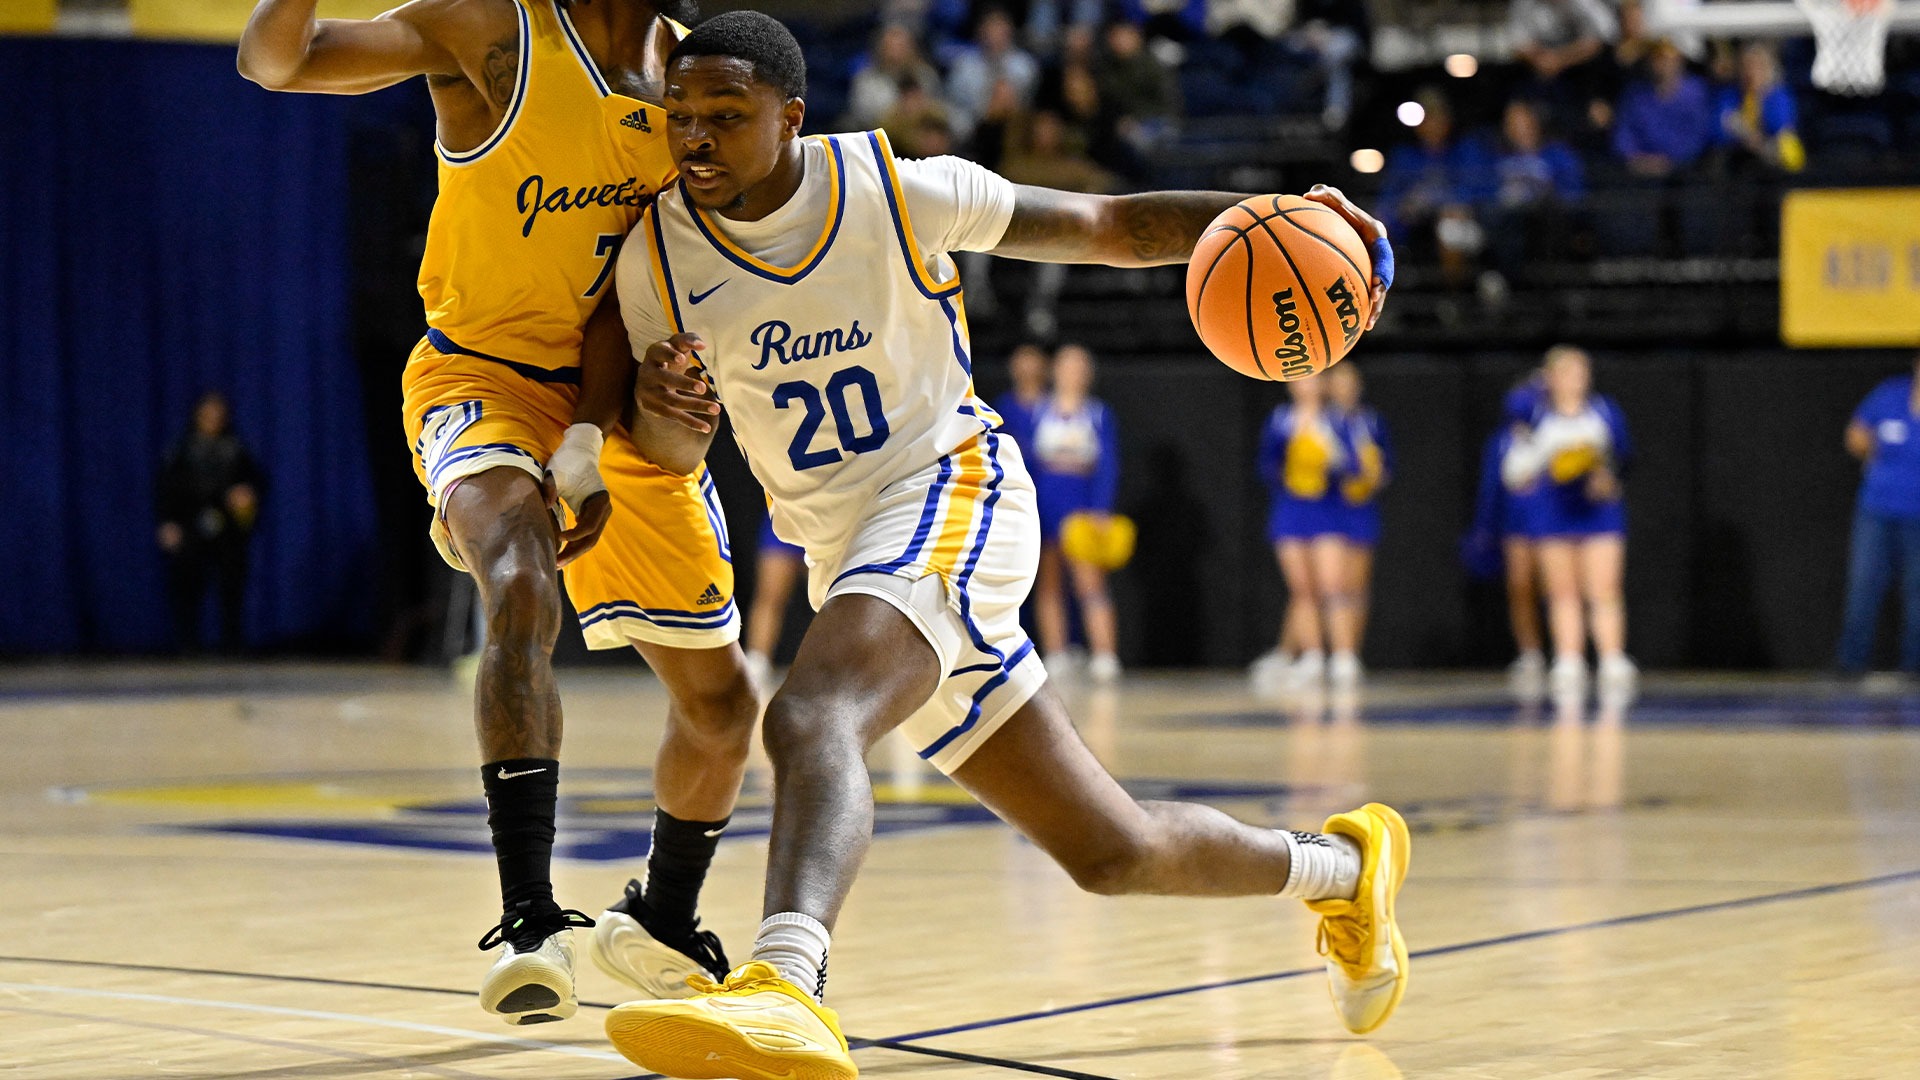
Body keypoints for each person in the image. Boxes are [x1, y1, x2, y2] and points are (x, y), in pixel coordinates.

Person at [600, 14, 1407, 1078]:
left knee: (810, 712)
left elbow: (1112, 225)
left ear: (791, 119)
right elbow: (666, 442)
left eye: (724, 117)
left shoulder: (897, 192)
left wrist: (1290, 220)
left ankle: (786, 985)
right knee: (1111, 852)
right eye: (680, 118)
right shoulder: (657, 248)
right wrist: (666, 411)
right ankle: (1342, 868)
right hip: (854, 557)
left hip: (950, 490)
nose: (694, 139)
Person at [237, 0, 761, 1025]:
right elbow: (276, 61)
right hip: (477, 372)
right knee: (520, 585)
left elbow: (626, 285)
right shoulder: (489, 27)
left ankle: (659, 918)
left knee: (724, 708)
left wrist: (593, 438)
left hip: (608, 392)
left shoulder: (693, 77)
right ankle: (531, 920)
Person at [1502, 346, 1634, 695]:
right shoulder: (1535, 415)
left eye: (1580, 372)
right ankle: (1569, 657)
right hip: (1553, 511)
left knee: (1603, 588)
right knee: (1562, 592)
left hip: (1597, 511)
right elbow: (1516, 470)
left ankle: (1611, 656)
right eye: (1565, 373)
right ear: (1551, 379)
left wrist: (1607, 479)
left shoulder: (1603, 412)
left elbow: (1624, 456)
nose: (1575, 380)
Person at [1255, 373, 1363, 688]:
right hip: (1291, 509)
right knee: (1302, 589)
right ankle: (1312, 656)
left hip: (1328, 509)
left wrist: (1334, 458)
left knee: (1333, 585)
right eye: (1302, 380)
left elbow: (1356, 467)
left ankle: (1343, 656)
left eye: (1314, 379)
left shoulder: (1337, 420)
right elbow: (1266, 465)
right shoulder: (1280, 420)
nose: (1307, 386)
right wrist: (1290, 470)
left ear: (1325, 385)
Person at [1029, 344, 1124, 681]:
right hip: (1044, 504)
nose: (1073, 373)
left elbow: (1108, 465)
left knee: (1090, 582)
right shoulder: (1039, 410)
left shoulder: (1097, 414)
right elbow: (1027, 462)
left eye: (1079, 367)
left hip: (1081, 505)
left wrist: (1101, 507)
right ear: (1055, 371)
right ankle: (1056, 653)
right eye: (1067, 366)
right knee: (1049, 582)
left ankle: (1104, 654)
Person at [155, 392, 263, 654]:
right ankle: (188, 645)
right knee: (187, 584)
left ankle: (232, 644)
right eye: (208, 414)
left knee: (231, 583)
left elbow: (256, 483)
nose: (213, 419)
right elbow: (165, 488)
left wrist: (246, 494)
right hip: (191, 525)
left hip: (227, 529)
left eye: (218, 414)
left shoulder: (236, 448)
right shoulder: (182, 449)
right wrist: (167, 522)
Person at [1837, 354, 1920, 677]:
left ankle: (1914, 669)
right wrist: (1872, 451)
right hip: (1878, 510)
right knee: (1864, 585)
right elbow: (1855, 435)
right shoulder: (1890, 394)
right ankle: (1850, 664)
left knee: (1917, 593)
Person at [1327, 363, 1390, 658]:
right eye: (1339, 383)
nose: (1346, 389)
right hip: (1329, 508)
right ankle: (1335, 652)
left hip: (1361, 509)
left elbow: (1387, 466)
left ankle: (1351, 651)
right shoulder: (1321, 421)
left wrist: (1373, 477)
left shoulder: (1371, 421)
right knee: (1334, 585)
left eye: (1350, 382)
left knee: (1357, 586)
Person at [1613, 39, 1714, 178]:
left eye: (1666, 59)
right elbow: (1624, 134)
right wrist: (1637, 159)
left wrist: (1668, 160)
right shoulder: (1635, 94)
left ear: (1679, 60)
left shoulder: (1696, 93)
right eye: (1656, 59)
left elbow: (1698, 136)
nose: (1661, 65)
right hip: (1639, 172)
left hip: (1684, 173)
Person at [1712, 41, 1806, 174]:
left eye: (1757, 67)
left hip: (1771, 167)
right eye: (1746, 67)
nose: (1751, 73)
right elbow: (1717, 132)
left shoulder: (1778, 96)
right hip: (1735, 164)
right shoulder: (1730, 96)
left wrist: (1753, 136)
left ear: (1768, 69)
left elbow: (1783, 132)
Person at [743, 518, 807, 694]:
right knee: (770, 594)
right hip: (787, 513)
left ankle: (848, 664)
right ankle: (757, 664)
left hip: (832, 514)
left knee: (833, 595)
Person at [841, 21, 942, 131]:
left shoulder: (925, 76)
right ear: (879, 50)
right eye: (890, 47)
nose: (895, 54)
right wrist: (901, 112)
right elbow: (864, 116)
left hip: (921, 137)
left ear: (912, 49)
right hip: (880, 137)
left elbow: (937, 110)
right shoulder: (865, 80)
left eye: (900, 47)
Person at [992, 342, 1050, 449]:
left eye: (1033, 359)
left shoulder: (1055, 405)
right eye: (1023, 359)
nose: (1028, 367)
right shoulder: (1002, 406)